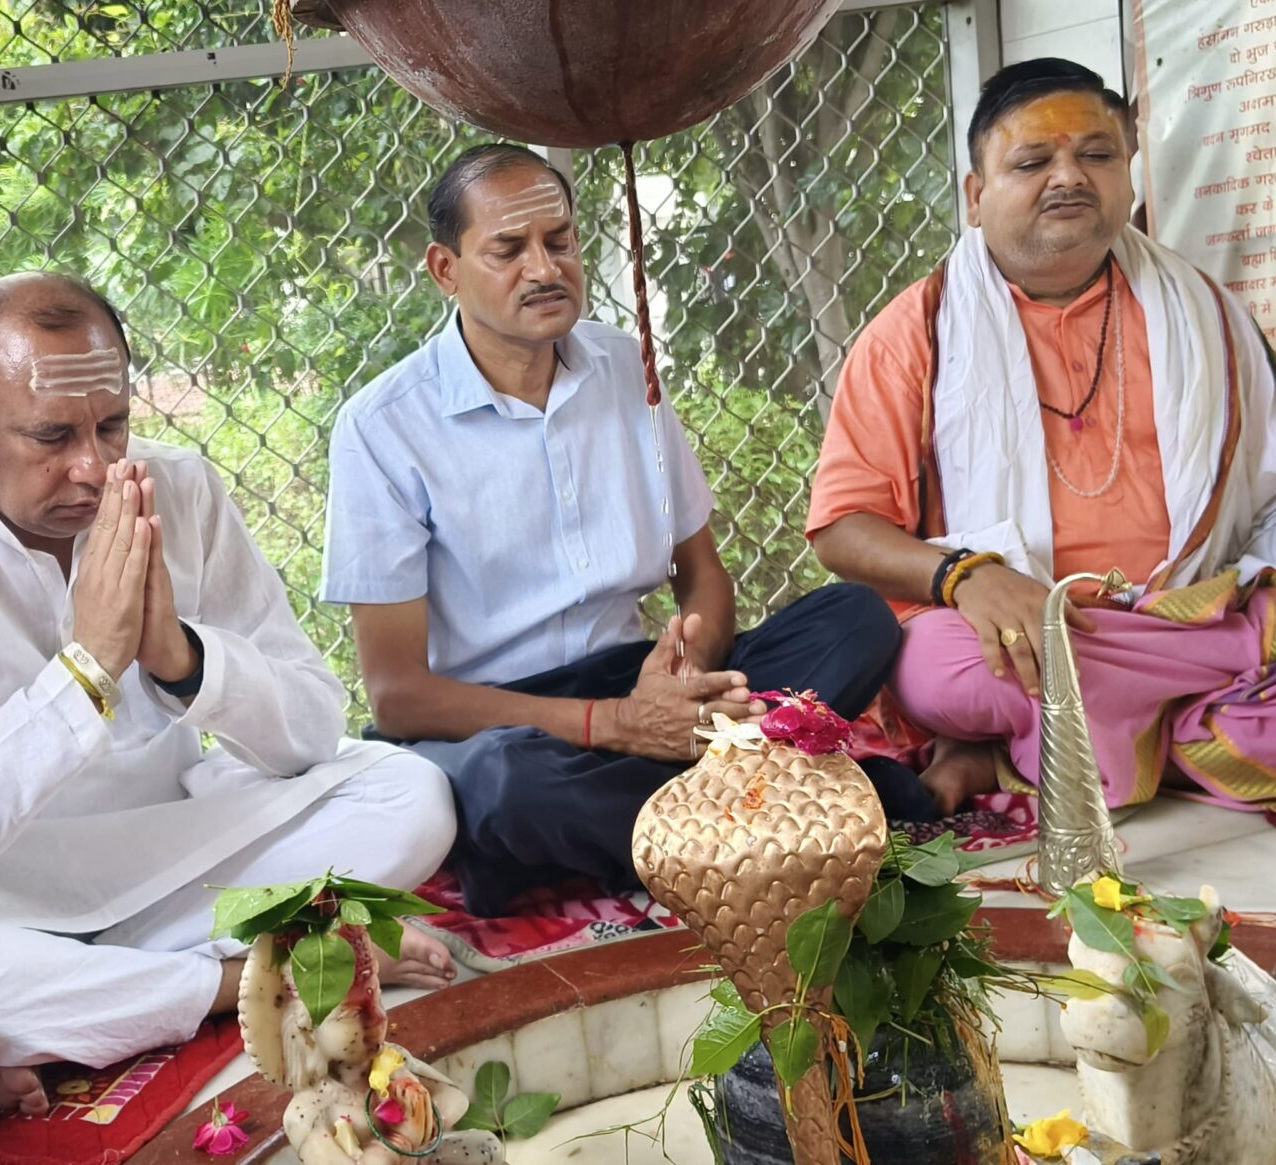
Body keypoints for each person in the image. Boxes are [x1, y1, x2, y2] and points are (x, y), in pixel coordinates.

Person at [0, 273, 458, 1115]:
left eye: (111, 424)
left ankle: (53, 1012)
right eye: (51, 435)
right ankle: (250, 978)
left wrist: (181, 658)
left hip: (167, 856)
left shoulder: (177, 489)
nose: (94, 467)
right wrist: (84, 675)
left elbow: (310, 728)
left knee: (412, 796)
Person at [807, 58, 1276, 823]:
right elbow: (842, 527)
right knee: (945, 666)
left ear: (1127, 176)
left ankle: (1058, 745)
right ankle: (1209, 692)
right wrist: (965, 576)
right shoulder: (911, 335)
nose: (1069, 177)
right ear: (976, 195)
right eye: (1032, 161)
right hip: (1020, 631)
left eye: (1097, 154)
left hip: (1189, 606)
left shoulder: (1205, 315)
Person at [319, 144, 915, 921]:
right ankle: (791, 803)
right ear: (445, 269)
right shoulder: (383, 426)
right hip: (501, 723)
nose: (544, 268)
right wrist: (615, 724)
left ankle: (654, 826)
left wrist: (686, 681)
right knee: (503, 786)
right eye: (509, 249)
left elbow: (701, 573)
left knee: (855, 619)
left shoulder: (625, 365)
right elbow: (400, 698)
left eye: (559, 240)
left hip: (640, 678)